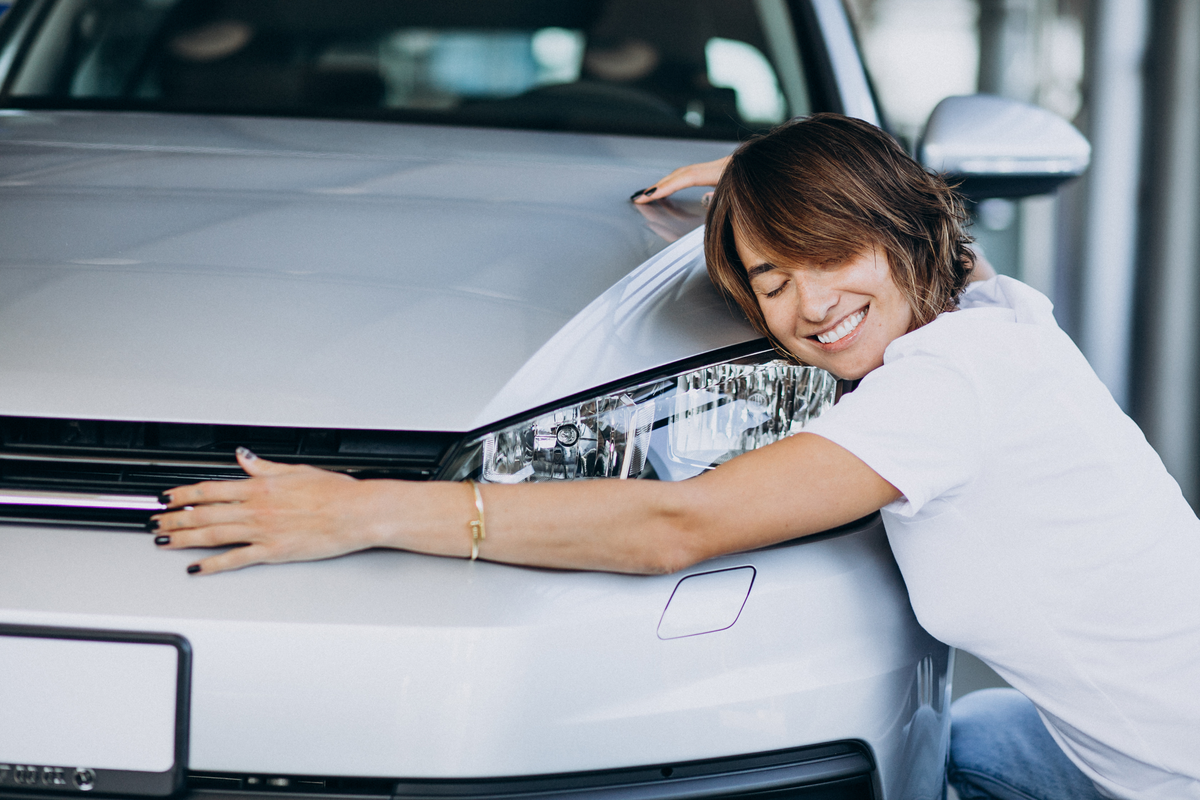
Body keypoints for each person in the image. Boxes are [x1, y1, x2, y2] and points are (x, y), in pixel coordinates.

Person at [150, 114, 1200, 800]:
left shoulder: (946, 384)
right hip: (1114, 731)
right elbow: (906, 233)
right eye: (769, 277)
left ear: (896, 228)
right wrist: (758, 182)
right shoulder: (977, 306)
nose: (808, 306)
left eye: (828, 251)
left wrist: (364, 510)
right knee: (962, 743)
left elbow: (676, 524)